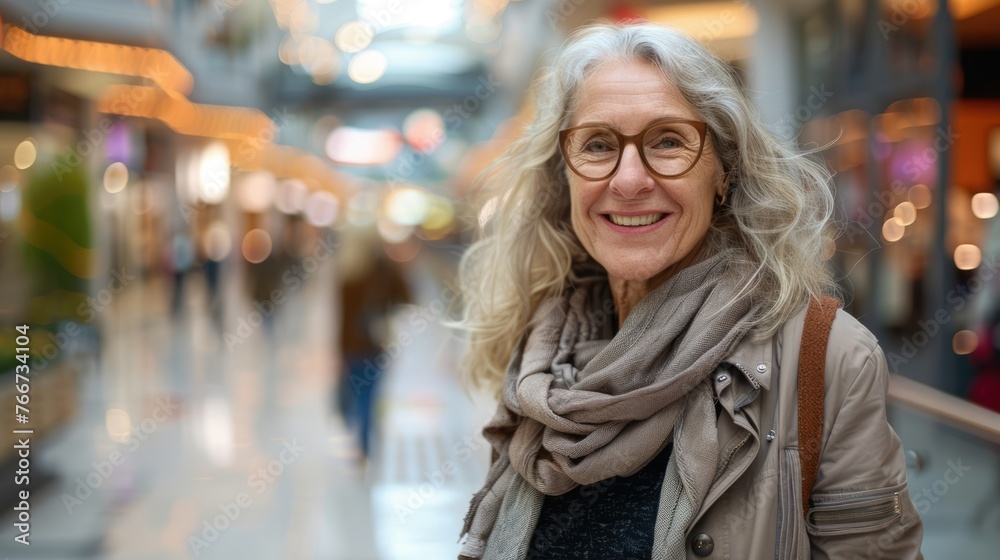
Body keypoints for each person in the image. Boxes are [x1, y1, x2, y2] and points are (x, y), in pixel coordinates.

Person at [455, 23, 923, 560]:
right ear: (564, 176)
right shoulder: (540, 356)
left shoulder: (830, 357)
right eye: (599, 144)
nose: (629, 181)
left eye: (669, 141)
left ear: (722, 172)